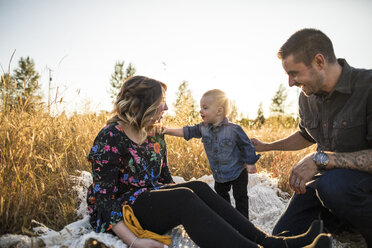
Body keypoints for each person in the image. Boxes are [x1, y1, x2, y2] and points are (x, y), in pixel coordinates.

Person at [86, 75, 331, 248]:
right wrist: (134, 241)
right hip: (125, 210)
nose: (167, 107)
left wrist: (181, 192)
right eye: (161, 101)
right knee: (184, 198)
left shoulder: (154, 133)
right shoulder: (110, 137)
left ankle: (272, 243)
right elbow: (103, 197)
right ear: (143, 105)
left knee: (197, 187)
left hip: (150, 198)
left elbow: (164, 178)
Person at [251, 28, 372, 247]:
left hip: (356, 184)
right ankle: (344, 230)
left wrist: (320, 159)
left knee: (333, 186)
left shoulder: (368, 86)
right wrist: (267, 146)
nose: (290, 83)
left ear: (319, 61)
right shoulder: (307, 98)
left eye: (294, 73)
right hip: (326, 185)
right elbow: (305, 135)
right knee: (283, 237)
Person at [163, 89, 260, 218]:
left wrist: (250, 162)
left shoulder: (234, 129)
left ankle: (244, 221)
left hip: (238, 171)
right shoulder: (203, 128)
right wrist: (167, 130)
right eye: (200, 107)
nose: (200, 111)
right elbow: (187, 132)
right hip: (219, 174)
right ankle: (228, 219)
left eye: (205, 108)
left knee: (240, 197)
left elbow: (246, 145)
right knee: (221, 198)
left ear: (219, 111)